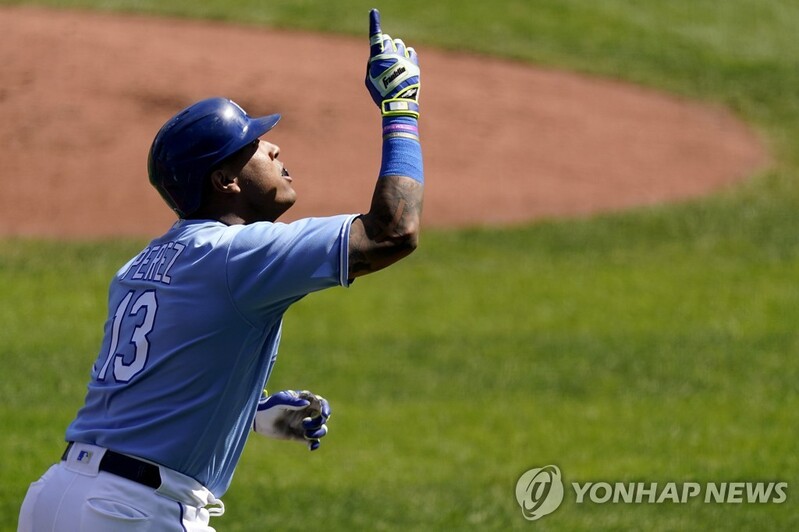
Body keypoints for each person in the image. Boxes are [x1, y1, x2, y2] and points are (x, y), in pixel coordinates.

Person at [18, 8, 423, 531]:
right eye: (253, 145)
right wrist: (401, 109)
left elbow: (150, 383)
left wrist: (248, 411)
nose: (274, 146)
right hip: (127, 513)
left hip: (60, 498)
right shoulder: (234, 254)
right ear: (225, 179)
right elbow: (393, 231)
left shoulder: (143, 264)